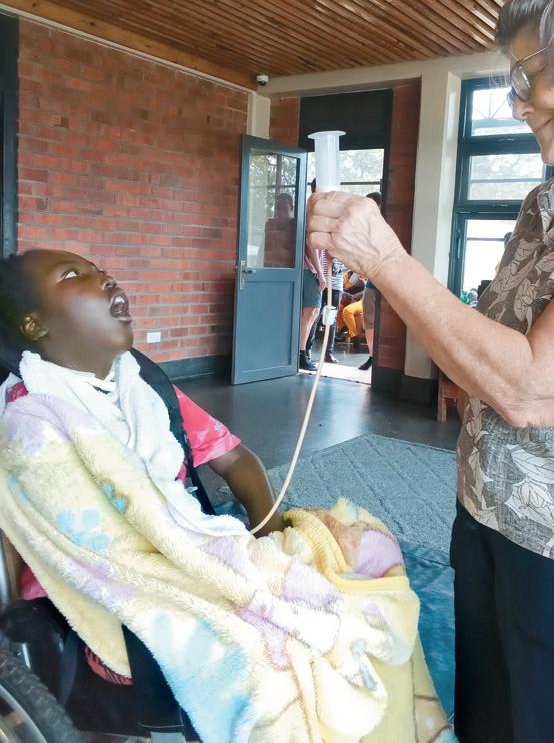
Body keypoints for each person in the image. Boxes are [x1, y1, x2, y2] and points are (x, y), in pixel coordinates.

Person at [308, 0, 554, 743]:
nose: (515, 103)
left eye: (527, 78)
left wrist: (384, 259)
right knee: (491, 716)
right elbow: (484, 351)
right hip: (486, 511)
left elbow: (535, 388)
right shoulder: (545, 198)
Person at [0, 249, 448, 741]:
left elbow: (236, 460)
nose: (105, 277)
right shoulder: (33, 422)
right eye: (73, 276)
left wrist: (268, 533)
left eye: (100, 267)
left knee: (366, 546)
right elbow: (87, 543)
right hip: (106, 588)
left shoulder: (142, 387)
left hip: (190, 545)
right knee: (272, 654)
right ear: (35, 324)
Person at [299, 180, 326, 371]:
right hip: (309, 269)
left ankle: (303, 352)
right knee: (310, 312)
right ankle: (301, 354)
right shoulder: (313, 210)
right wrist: (320, 273)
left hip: (312, 269)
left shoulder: (318, 210)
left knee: (313, 313)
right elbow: (311, 245)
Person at [305, 252, 344, 364]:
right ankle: (307, 349)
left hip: (335, 285)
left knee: (331, 319)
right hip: (320, 282)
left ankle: (328, 353)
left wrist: (339, 269)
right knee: (314, 316)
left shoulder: (342, 246)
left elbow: (350, 263)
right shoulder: (323, 244)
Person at [359, 192, 382, 371]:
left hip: (385, 284)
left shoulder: (384, 226)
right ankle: (372, 357)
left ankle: (377, 358)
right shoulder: (365, 225)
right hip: (371, 283)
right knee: (369, 322)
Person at [262, 191, 295, 268]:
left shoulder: (295, 226)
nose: (280, 211)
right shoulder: (270, 225)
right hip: (269, 269)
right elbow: (262, 249)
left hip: (289, 271)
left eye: (285, 208)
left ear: (291, 208)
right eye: (278, 207)